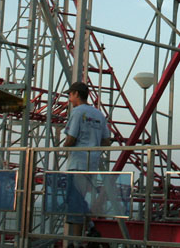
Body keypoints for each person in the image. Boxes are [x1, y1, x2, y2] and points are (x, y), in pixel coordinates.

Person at [62, 81, 111, 247]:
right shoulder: (98, 114)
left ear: (76, 94)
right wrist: (95, 150)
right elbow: (106, 140)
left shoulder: (77, 112)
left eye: (70, 94)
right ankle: (89, 229)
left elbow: (71, 138)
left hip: (77, 164)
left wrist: (63, 147)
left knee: (74, 202)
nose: (69, 97)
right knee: (81, 200)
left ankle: (76, 242)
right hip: (92, 165)